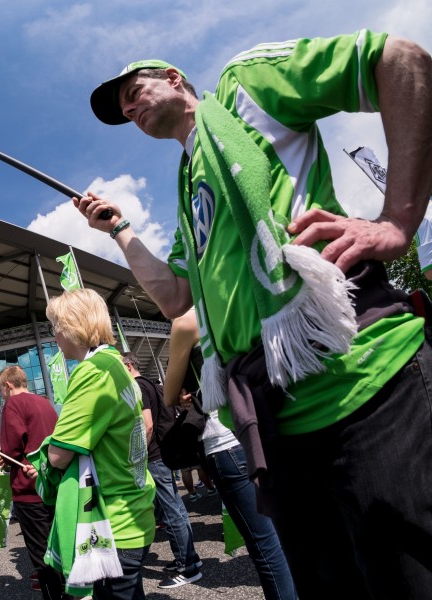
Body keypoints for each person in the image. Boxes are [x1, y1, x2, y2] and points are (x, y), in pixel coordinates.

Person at [83, 32, 432, 597]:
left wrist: (397, 219)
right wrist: (120, 230)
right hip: (276, 422)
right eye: (121, 108)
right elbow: (175, 299)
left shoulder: (246, 86)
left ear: (174, 77)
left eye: (132, 90)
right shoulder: (188, 185)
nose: (128, 108)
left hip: (362, 381)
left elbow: (399, 59)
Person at [31, 288, 155, 599]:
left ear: (72, 327)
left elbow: (59, 455)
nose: (53, 336)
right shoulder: (117, 365)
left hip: (111, 521)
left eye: (55, 326)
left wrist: (44, 456)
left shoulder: (91, 371)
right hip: (134, 507)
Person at [164, 308, 296, 599]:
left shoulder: (186, 321)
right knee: (289, 536)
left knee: (265, 547)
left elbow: (169, 394)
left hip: (226, 440)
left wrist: (184, 396)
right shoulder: (234, 298)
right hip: (271, 425)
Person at [120, 352, 202, 588]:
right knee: (176, 508)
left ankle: (188, 566)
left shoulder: (137, 387)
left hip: (154, 456)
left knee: (170, 512)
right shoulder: (152, 383)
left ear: (127, 366)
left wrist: (138, 457)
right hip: (164, 453)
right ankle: (190, 558)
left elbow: (146, 425)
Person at [0, 365, 63, 599]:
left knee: (41, 552)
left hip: (28, 487)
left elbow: (12, 446)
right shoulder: (44, 402)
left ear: (9, 385)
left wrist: (3, 456)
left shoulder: (13, 404)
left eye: (1, 390)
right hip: (52, 482)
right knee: (59, 544)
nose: (2, 395)